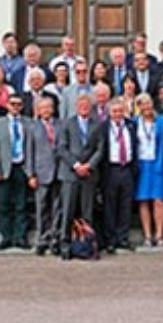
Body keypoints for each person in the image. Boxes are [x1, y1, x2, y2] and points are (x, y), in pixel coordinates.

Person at [87, 99, 138, 253]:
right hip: (110, 170)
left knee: (125, 205)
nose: (117, 114)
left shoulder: (131, 126)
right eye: (114, 111)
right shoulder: (102, 128)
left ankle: (123, 238)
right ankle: (111, 240)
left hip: (127, 169)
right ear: (109, 113)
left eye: (120, 111)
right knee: (110, 207)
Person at [55, 94, 100, 260]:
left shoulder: (97, 125)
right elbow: (61, 148)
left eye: (87, 105)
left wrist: (89, 165)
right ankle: (65, 245)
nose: (84, 108)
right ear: (76, 106)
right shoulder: (67, 124)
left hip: (89, 174)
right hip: (70, 174)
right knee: (67, 211)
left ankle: (87, 245)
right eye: (81, 105)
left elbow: (100, 149)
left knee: (87, 212)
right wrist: (76, 165)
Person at [0, 97, 33, 251]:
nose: (15, 107)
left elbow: (31, 148)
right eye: (12, 104)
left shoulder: (28, 123)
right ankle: (6, 237)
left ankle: (21, 237)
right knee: (4, 205)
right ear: (7, 105)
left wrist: (31, 171)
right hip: (4, 170)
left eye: (19, 104)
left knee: (21, 205)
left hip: (22, 167)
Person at [26, 97, 62, 255]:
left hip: (59, 172)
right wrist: (31, 174)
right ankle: (42, 239)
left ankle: (55, 239)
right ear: (38, 110)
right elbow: (29, 152)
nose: (46, 110)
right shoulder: (32, 127)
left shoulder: (61, 125)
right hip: (41, 173)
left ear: (53, 109)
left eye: (49, 107)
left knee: (57, 208)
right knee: (42, 208)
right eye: (43, 108)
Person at [133, 94, 163, 248]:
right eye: (142, 105)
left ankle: (159, 235)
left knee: (159, 200)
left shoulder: (162, 121)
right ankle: (147, 235)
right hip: (142, 165)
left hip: (158, 164)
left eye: (148, 104)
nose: (146, 107)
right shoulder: (134, 122)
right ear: (138, 107)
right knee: (143, 200)